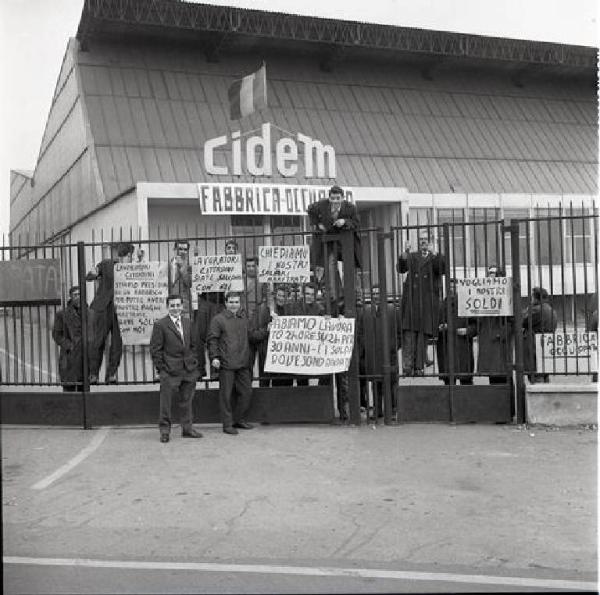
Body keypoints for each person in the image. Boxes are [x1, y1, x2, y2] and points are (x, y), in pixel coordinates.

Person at [150, 294, 203, 443]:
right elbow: (155, 350)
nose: (175, 308)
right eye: (172, 305)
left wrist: (193, 363)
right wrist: (162, 369)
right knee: (165, 402)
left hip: (188, 369)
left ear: (182, 306)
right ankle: (165, 431)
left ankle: (187, 429)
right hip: (169, 370)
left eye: (178, 305)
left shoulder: (188, 323)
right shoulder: (160, 325)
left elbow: (193, 345)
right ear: (168, 307)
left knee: (187, 401)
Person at [86, 242, 134, 384]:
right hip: (104, 308)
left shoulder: (133, 269)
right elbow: (90, 276)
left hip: (122, 311)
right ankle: (93, 374)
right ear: (127, 255)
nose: (130, 259)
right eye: (129, 256)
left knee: (117, 343)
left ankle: (111, 374)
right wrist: (93, 274)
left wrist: (140, 261)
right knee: (98, 341)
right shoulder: (107, 264)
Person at [396, 234, 444, 376]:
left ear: (431, 242)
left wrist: (435, 254)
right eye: (421, 240)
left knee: (422, 339)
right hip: (412, 302)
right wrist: (404, 255)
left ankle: (418, 368)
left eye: (426, 240)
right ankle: (407, 368)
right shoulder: (413, 256)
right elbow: (401, 269)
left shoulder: (435, 257)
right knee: (408, 336)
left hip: (427, 303)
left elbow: (441, 269)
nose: (423, 242)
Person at [307, 185, 361, 309]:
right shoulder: (322, 204)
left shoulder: (350, 208)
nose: (335, 201)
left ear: (342, 198)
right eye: (332, 198)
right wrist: (317, 224)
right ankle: (336, 296)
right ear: (329, 198)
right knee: (331, 266)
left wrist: (345, 222)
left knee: (350, 267)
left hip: (345, 243)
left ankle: (354, 295)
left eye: (338, 198)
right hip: (330, 242)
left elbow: (356, 223)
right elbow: (310, 209)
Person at [208, 292, 254, 435]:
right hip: (226, 363)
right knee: (225, 396)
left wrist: (268, 330)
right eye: (231, 302)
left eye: (236, 302)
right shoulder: (218, 319)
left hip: (243, 362)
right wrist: (214, 357)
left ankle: (239, 420)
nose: (234, 305)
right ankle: (227, 424)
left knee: (246, 392)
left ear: (240, 303)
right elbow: (212, 339)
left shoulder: (244, 318)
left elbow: (252, 335)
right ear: (226, 303)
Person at [359, 285, 402, 417]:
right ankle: (378, 411)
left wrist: (394, 347)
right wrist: (365, 349)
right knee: (376, 383)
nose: (376, 296)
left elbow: (399, 332)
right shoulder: (365, 312)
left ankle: (393, 410)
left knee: (391, 383)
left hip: (389, 353)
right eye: (374, 293)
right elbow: (361, 333)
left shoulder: (393, 311)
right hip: (372, 353)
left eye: (379, 293)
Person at [477, 266, 513, 384]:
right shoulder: (484, 294)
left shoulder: (508, 295)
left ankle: (509, 400)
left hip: (500, 340)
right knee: (492, 374)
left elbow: (512, 321)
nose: (490, 275)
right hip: (487, 337)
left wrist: (500, 334)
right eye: (489, 273)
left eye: (493, 273)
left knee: (503, 373)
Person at [437, 278, 477, 385]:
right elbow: (434, 325)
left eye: (453, 286)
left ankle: (466, 401)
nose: (451, 289)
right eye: (449, 286)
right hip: (446, 347)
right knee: (449, 382)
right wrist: (439, 328)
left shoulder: (466, 303)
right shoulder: (441, 305)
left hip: (462, 347)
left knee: (465, 381)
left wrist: (468, 331)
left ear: (458, 288)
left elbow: (476, 324)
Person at [289, 283, 325, 387]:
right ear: (302, 294)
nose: (309, 296)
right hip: (299, 350)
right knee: (301, 380)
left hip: (314, 350)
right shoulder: (293, 307)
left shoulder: (319, 309)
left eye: (312, 294)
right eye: (307, 293)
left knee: (322, 377)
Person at [52, 286, 84, 392]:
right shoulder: (62, 314)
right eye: (75, 295)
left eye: (80, 294)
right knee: (68, 387)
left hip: (84, 357)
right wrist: (70, 345)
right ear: (70, 297)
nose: (78, 297)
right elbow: (57, 335)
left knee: (84, 390)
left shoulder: (88, 313)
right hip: (69, 356)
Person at [522, 287, 557, 383]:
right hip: (545, 347)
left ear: (536, 298)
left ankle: (541, 397)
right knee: (544, 375)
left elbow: (521, 320)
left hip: (535, 348)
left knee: (536, 377)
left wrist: (528, 309)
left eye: (532, 297)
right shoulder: (551, 310)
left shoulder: (536, 310)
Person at [168, 240, 193, 319]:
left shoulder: (190, 265)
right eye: (180, 249)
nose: (183, 251)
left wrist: (182, 266)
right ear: (175, 249)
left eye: (185, 250)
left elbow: (189, 283)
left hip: (184, 306)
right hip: (169, 304)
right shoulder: (168, 264)